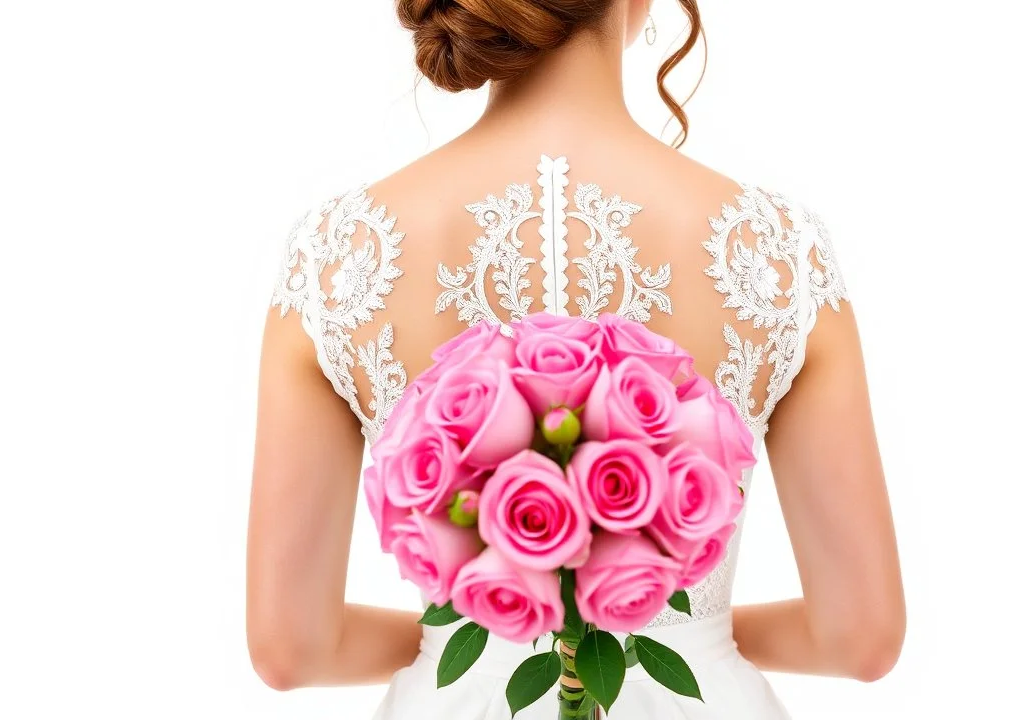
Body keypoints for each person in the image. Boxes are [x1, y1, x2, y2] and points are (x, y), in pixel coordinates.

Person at [247, 1, 904, 716]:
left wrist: (482, 636)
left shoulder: (337, 255)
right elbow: (860, 638)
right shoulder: (779, 251)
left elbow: (291, 649)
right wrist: (683, 636)